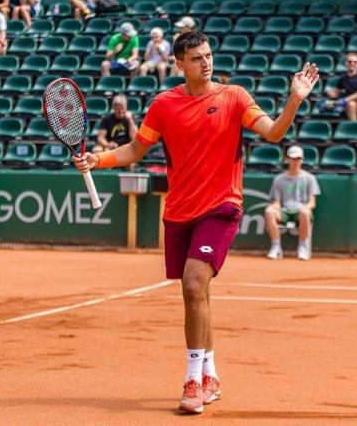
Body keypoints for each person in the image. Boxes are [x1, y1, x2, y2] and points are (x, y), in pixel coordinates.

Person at [72, 31, 318, 415]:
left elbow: (273, 133)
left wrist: (294, 101)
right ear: (179, 64)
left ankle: (193, 380)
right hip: (180, 211)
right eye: (197, 58)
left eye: (208, 55)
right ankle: (212, 372)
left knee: (192, 283)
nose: (206, 62)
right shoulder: (163, 104)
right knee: (200, 295)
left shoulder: (235, 97)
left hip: (221, 207)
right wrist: (98, 159)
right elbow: (137, 148)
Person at [265, 145, 320, 261]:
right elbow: (277, 202)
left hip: (300, 212)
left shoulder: (310, 178)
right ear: (287, 159)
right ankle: (276, 247)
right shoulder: (279, 179)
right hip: (284, 211)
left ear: (302, 160)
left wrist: (306, 208)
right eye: (293, 158)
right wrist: (273, 207)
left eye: (298, 159)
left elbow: (312, 202)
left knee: (305, 212)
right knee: (269, 212)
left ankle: (302, 247)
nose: (295, 161)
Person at [322, 53, 357, 120]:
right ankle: (355, 127)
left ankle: (341, 102)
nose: (352, 63)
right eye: (350, 62)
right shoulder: (343, 77)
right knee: (351, 104)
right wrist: (331, 93)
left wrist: (344, 100)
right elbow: (336, 93)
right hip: (352, 104)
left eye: (355, 62)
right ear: (346, 63)